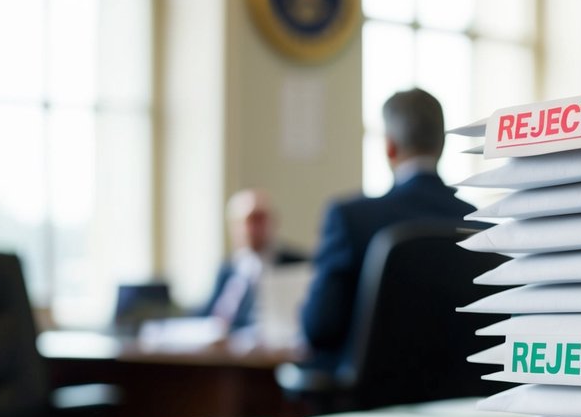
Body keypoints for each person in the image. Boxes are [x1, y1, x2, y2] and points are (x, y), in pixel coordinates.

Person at [299, 87, 474, 368]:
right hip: (461, 400)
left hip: (367, 402)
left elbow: (319, 329)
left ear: (389, 146)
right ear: (441, 145)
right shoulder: (478, 222)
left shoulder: (350, 219)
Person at [201, 188, 307, 331]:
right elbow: (209, 313)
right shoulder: (228, 267)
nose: (250, 229)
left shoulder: (298, 264)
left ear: (273, 222)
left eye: (258, 220)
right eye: (243, 221)